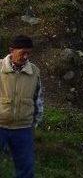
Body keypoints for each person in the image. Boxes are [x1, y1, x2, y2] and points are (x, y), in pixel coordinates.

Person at [0, 35, 43, 178]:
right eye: (22, 52)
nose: (25, 56)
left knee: (26, 171)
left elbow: (38, 99)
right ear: (11, 50)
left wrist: (33, 123)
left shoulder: (34, 72)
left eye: (28, 53)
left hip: (23, 130)